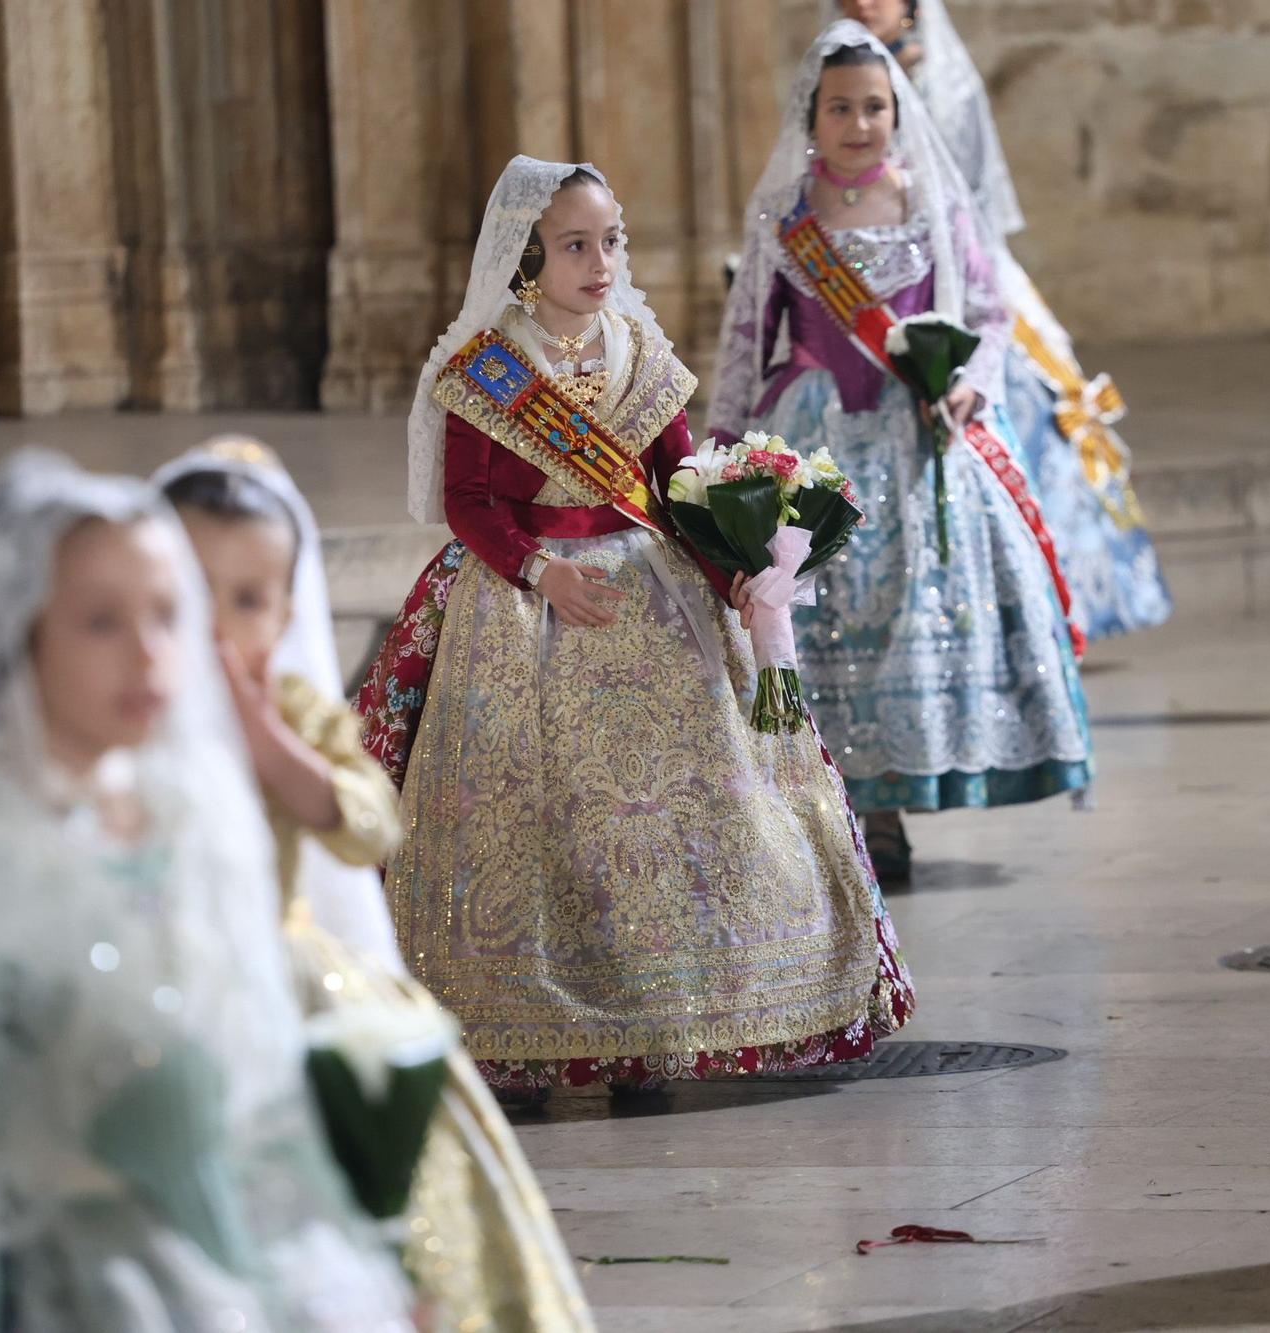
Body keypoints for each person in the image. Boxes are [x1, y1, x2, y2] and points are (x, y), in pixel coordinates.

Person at [0, 449, 411, 1330]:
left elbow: (267, 1123)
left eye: (167, 614)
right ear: (20, 631)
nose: (151, 654)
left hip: (225, 1263)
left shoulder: (191, 811)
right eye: (100, 621)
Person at [364, 154, 912, 1100]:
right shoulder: (489, 364)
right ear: (528, 259)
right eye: (577, 244)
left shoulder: (641, 355)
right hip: (523, 595)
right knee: (533, 809)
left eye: (611, 240)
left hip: (651, 593)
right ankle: (522, 1034)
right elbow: (467, 500)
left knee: (693, 799)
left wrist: (734, 573)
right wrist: (537, 568)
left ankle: (666, 1022)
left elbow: (674, 487)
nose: (601, 260)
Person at [156, 438, 595, 1331]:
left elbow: (368, 823)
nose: (214, 624)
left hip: (282, 974)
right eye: (188, 591)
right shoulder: (127, 705)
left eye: (245, 600)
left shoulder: (296, 713)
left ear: (284, 615)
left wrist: (264, 739)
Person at [706, 19, 1092, 880]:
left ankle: (890, 801)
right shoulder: (783, 215)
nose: (859, 124)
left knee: (902, 623)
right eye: (840, 107)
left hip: (913, 439)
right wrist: (720, 457)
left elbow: (991, 316)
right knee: (821, 621)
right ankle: (842, 802)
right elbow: (743, 342)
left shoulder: (932, 203)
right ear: (812, 116)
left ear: (897, 112)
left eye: (874, 106)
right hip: (814, 446)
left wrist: (970, 383)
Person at [838, 0, 1172, 641]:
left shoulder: (940, 79)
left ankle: (1034, 606)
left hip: (955, 275)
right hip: (865, 276)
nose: (860, 3)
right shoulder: (834, 69)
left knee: (1014, 436)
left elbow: (968, 195)